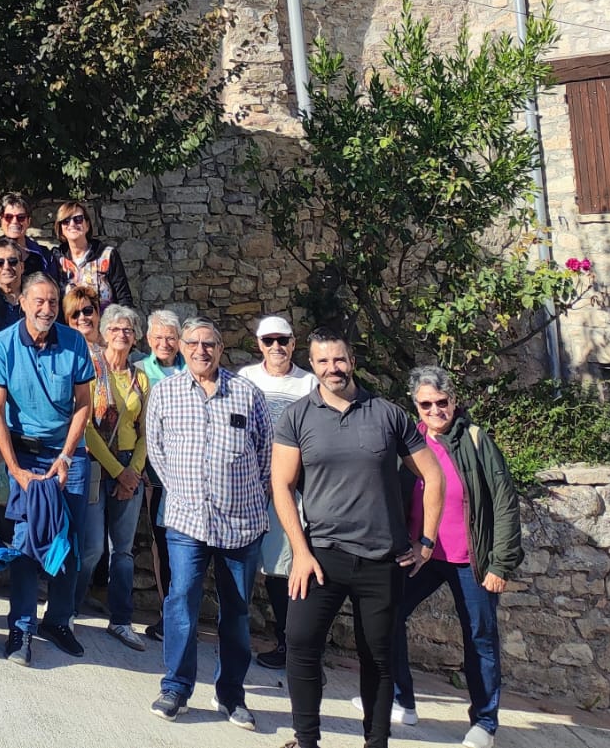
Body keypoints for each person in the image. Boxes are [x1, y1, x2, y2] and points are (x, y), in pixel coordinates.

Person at [272, 330, 445, 748]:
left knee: (379, 657)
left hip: (382, 560)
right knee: (300, 644)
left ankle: (376, 742)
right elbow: (281, 484)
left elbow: (434, 475)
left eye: (339, 360)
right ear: (312, 365)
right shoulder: (297, 416)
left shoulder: (388, 414)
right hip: (321, 556)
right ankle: (307, 740)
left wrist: (425, 543)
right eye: (323, 362)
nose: (333, 368)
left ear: (352, 360)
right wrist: (299, 551)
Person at [144, 317, 273, 726]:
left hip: (240, 523)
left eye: (210, 344)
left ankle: (232, 695)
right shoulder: (165, 394)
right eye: (194, 343)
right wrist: (187, 492)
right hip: (187, 521)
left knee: (235, 612)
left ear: (222, 349)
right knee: (180, 601)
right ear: (181, 348)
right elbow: (157, 451)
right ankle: (176, 688)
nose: (201, 350)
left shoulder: (247, 394)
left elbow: (266, 456)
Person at [389, 366, 522, 748]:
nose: (435, 410)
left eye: (441, 402)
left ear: (454, 401)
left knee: (480, 638)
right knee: (388, 615)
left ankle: (484, 722)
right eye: (426, 404)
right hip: (423, 553)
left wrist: (500, 564)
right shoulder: (410, 441)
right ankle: (403, 701)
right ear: (416, 406)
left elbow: (504, 503)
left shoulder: (476, 440)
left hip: (471, 559)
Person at [0, 270, 96, 665]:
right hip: (24, 456)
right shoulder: (2, 345)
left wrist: (66, 456)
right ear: (23, 303)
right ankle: (21, 628)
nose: (47, 308)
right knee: (26, 543)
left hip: (69, 454)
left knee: (71, 544)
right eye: (39, 301)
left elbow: (84, 403)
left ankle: (59, 620)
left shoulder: (74, 342)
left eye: (53, 301)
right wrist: (15, 470)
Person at [244, 314, 317, 671]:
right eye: (269, 340)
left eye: (283, 340)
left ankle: (290, 644)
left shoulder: (310, 384)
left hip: (290, 487)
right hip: (248, 485)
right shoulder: (245, 378)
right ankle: (236, 633)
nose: (276, 347)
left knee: (282, 569)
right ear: (259, 344)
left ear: (293, 343)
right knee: (240, 561)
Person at [87, 302, 150, 650]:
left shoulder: (139, 377)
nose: (122, 334)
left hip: (130, 465)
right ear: (104, 333)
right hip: (100, 463)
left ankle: (122, 621)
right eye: (115, 329)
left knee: (122, 551)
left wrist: (133, 472)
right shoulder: (94, 372)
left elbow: (146, 430)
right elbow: (86, 427)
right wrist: (117, 471)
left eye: (128, 329)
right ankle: (68, 605)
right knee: (92, 547)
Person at [63, 284, 112, 619]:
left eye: (88, 310)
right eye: (75, 313)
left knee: (108, 545)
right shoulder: (67, 354)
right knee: (90, 543)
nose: (84, 317)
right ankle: (68, 602)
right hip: (86, 456)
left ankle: (73, 602)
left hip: (117, 457)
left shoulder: (112, 353)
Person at [139, 307, 187, 625]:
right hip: (153, 472)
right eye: (159, 337)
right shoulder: (139, 370)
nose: (165, 343)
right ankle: (167, 610)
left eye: (171, 337)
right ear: (148, 339)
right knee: (162, 540)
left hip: (188, 472)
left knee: (187, 543)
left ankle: (182, 611)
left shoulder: (193, 370)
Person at [0, 193, 56, 301]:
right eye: (8, 217)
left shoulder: (44, 255)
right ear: (1, 220)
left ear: (28, 221)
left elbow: (53, 294)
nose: (14, 222)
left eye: (21, 217)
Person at [51, 201, 132, 309]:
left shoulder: (107, 255)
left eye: (78, 219)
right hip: (69, 325)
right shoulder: (57, 259)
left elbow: (124, 298)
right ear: (60, 229)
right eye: (66, 221)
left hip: (104, 324)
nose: (72, 224)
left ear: (87, 225)